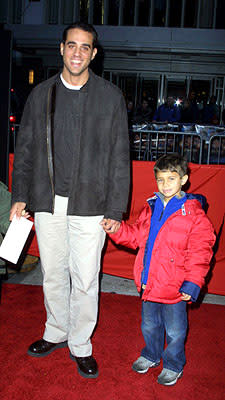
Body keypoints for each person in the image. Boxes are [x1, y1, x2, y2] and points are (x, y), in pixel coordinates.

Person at [10, 22, 130, 379]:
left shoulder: (110, 97)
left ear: (94, 54)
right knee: (53, 276)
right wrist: (20, 196)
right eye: (72, 45)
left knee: (86, 278)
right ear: (61, 48)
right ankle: (56, 331)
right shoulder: (41, 95)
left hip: (91, 205)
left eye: (85, 47)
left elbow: (119, 157)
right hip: (47, 201)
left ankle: (80, 344)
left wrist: (115, 209)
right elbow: (26, 150)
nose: (77, 53)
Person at [102, 154, 215, 386]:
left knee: (175, 330)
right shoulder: (151, 207)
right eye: (161, 179)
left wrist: (193, 283)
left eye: (171, 179)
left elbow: (201, 252)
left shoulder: (194, 215)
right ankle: (151, 354)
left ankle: (173, 364)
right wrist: (116, 229)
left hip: (176, 287)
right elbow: (135, 238)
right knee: (149, 324)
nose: (165, 185)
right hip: (149, 282)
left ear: (183, 180)